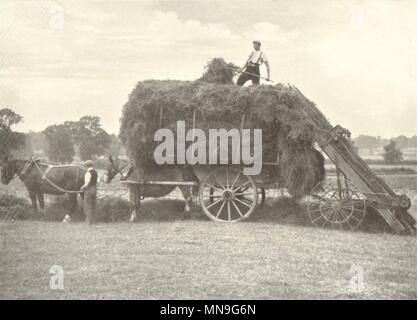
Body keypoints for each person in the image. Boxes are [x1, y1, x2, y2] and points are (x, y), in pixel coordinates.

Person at [80, 160, 98, 224]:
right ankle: (93, 220)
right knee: (93, 205)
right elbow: (96, 181)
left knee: (88, 205)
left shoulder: (88, 173)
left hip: (89, 190)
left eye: (85, 166)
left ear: (87, 166)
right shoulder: (96, 172)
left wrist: (82, 188)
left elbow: (86, 184)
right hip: (94, 189)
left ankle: (88, 221)